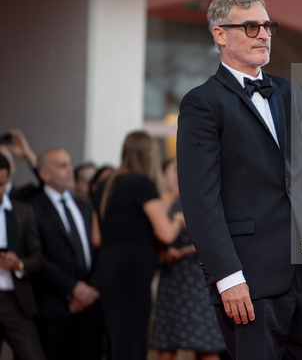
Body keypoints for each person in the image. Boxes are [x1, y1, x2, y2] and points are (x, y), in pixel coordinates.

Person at [176, 0, 302, 360]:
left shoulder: (291, 93)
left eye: (267, 26)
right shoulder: (202, 103)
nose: (264, 34)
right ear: (220, 34)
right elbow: (200, 202)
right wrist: (227, 277)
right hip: (249, 280)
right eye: (251, 27)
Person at [92, 131, 182, 360]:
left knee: (116, 337)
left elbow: (97, 239)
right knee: (133, 339)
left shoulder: (105, 184)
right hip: (133, 273)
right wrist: (178, 220)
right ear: (149, 155)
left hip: (107, 269)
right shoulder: (142, 183)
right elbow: (166, 233)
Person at [29, 148, 103, 360]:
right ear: (44, 174)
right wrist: (72, 288)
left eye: (70, 164)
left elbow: (99, 248)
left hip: (90, 307)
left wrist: (89, 290)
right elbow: (36, 256)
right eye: (62, 165)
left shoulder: (86, 205)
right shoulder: (32, 208)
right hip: (53, 308)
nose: (70, 170)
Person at [151, 159, 225, 360]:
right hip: (171, 278)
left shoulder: (198, 198)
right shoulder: (158, 201)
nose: (179, 174)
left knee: (205, 344)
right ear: (163, 174)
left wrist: (181, 252)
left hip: (197, 277)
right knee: (166, 345)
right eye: (174, 170)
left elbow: (213, 237)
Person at [0, 154, 45, 360]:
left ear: (8, 180)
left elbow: (37, 258)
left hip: (15, 301)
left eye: (0, 184)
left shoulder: (22, 212)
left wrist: (18, 264)